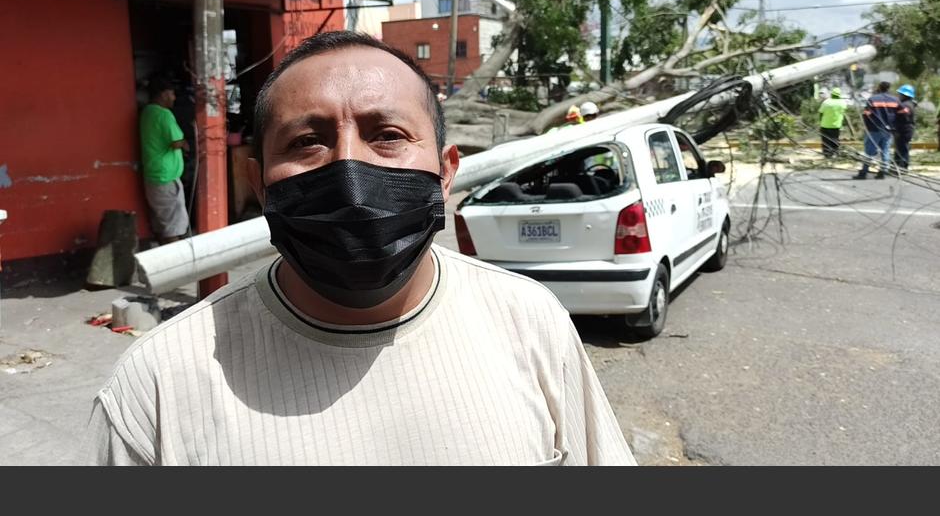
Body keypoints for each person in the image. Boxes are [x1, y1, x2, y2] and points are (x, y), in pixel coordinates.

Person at [83, 31, 635, 466]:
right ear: (257, 182)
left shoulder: (530, 322)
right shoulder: (156, 386)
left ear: (446, 173)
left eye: (387, 135)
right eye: (306, 141)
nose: (350, 174)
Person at [139, 75, 190, 243]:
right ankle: (178, 265)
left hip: (153, 175)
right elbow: (176, 142)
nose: (174, 98)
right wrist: (185, 144)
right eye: (171, 93)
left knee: (163, 223)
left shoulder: (146, 112)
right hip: (166, 177)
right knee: (172, 227)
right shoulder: (164, 114)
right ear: (163, 94)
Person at [853, 81, 901, 180]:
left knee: (869, 151)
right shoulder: (895, 100)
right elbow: (900, 115)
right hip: (888, 130)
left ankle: (864, 172)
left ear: (879, 87)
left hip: (874, 129)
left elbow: (866, 114)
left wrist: (866, 127)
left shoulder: (873, 99)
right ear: (888, 88)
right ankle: (883, 171)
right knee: (885, 151)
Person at [818, 87, 847, 158]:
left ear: (831, 94)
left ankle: (827, 154)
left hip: (825, 125)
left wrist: (820, 121)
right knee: (835, 139)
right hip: (836, 125)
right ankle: (835, 153)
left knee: (825, 140)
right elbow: (843, 112)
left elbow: (821, 113)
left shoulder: (826, 102)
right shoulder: (842, 103)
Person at [893, 84, 916, 169]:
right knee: (902, 148)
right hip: (907, 129)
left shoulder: (906, 105)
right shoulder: (910, 104)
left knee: (902, 149)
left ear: (905, 95)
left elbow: (903, 118)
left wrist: (897, 129)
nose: (899, 96)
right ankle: (899, 166)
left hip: (904, 130)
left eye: (900, 94)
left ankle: (902, 167)